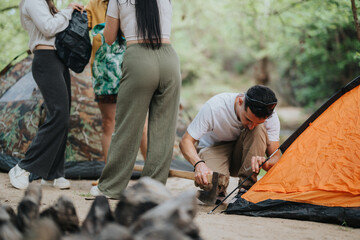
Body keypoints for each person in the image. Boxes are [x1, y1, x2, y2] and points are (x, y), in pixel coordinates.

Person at [90, 0, 181, 199]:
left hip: (138, 58)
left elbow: (109, 37)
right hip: (169, 59)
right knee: (163, 129)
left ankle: (111, 187)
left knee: (127, 127)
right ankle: (153, 189)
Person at [8, 0, 84, 190]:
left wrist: (70, 12)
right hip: (45, 60)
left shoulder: (45, 2)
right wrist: (67, 11)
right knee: (59, 114)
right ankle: (23, 168)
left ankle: (53, 173)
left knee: (62, 117)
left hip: (59, 60)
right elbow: (49, 28)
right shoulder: (33, 1)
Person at [179, 85, 281, 199]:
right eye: (248, 119)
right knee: (212, 185)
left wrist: (265, 163)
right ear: (240, 101)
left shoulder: (270, 118)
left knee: (258, 129)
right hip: (214, 149)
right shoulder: (215, 107)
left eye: (257, 122)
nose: (251, 126)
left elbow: (276, 157)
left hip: (243, 155)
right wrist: (198, 164)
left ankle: (246, 188)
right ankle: (219, 190)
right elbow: (185, 141)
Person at [86, 0, 148, 164]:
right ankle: (109, 177)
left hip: (132, 65)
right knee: (108, 122)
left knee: (141, 123)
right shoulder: (94, 4)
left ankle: (153, 175)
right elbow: (81, 27)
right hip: (104, 72)